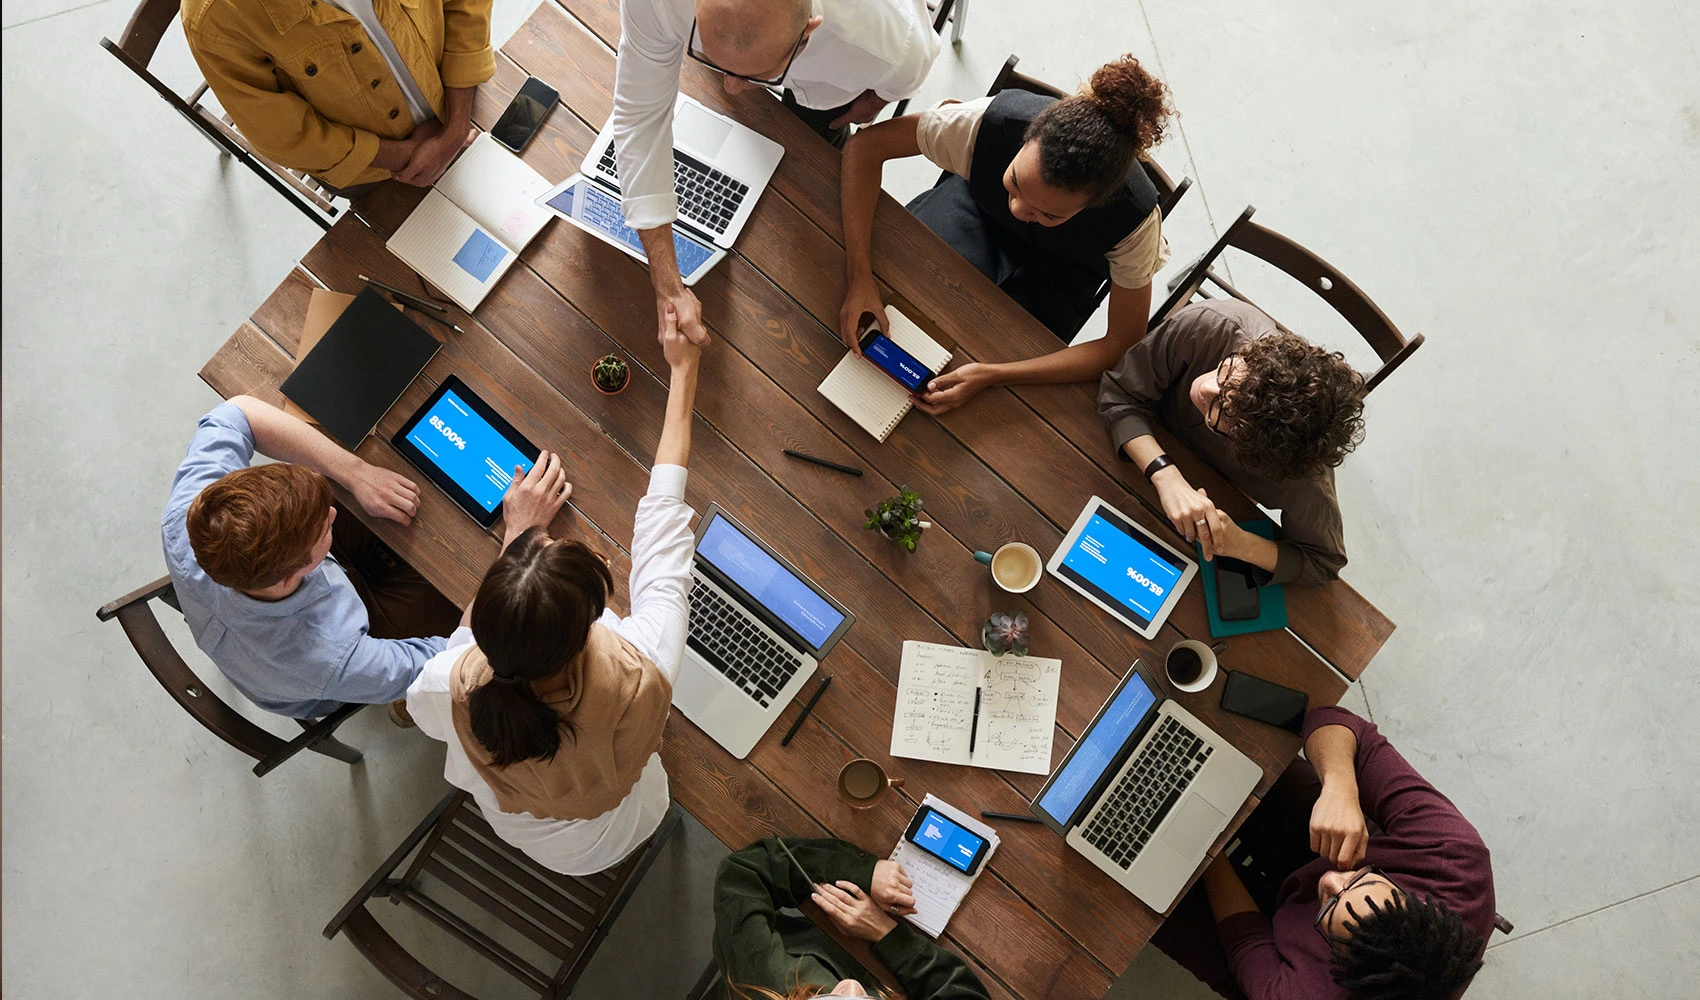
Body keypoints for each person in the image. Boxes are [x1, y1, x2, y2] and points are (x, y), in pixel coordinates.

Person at [406, 306, 701, 874]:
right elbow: (664, 526)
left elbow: (440, 685)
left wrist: (515, 535)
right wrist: (685, 371)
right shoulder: (643, 667)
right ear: (590, 627)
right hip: (623, 822)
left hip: (535, 837)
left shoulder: (450, 682)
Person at [837, 54, 1175, 414]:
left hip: (1065, 270)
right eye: (1015, 183)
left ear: (1095, 204)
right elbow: (865, 147)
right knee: (904, 291)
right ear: (1026, 138)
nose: (1018, 210)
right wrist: (859, 276)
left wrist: (994, 375)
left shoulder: (1134, 222)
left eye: (1047, 212)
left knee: (997, 370)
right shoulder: (986, 124)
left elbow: (1122, 341)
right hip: (975, 211)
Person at [614, 0, 940, 345]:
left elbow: (908, 74)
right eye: (713, 59)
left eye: (753, 75)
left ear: (807, 34)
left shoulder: (889, 47)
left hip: (830, 87)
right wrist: (666, 284)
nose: (732, 89)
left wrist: (877, 99)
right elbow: (640, 120)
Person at [1151, 707, 1494, 1000]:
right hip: (1349, 846)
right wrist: (1339, 786)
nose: (1331, 877)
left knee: (1154, 897)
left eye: (1330, 906)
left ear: (1338, 963)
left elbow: (1245, 937)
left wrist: (1206, 845)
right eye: (1362, 879)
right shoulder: (1453, 856)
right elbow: (1332, 719)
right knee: (1251, 753)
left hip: (1272, 952)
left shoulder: (1305, 993)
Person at [162, 395, 459, 721]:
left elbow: (240, 410)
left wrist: (356, 473)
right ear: (292, 576)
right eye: (325, 528)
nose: (332, 513)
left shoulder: (196, 512)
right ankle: (404, 706)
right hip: (323, 677)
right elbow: (452, 666)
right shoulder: (329, 658)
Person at [1097, 298, 1368, 584]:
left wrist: (1240, 543)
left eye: (1222, 412)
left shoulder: (1304, 476)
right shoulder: (1212, 324)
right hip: (1126, 456)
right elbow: (1119, 391)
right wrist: (1166, 477)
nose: (1205, 387)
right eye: (1227, 374)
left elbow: (1323, 563)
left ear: (1252, 450)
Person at [183, 0, 495, 192]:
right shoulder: (214, 17)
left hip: (459, 99)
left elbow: (467, 6)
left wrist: (454, 128)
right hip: (376, 172)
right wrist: (406, 156)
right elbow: (284, 136)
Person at [715, 838, 991, 1000]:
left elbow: (742, 877)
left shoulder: (761, 978)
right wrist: (887, 934)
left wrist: (861, 871)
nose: (851, 987)